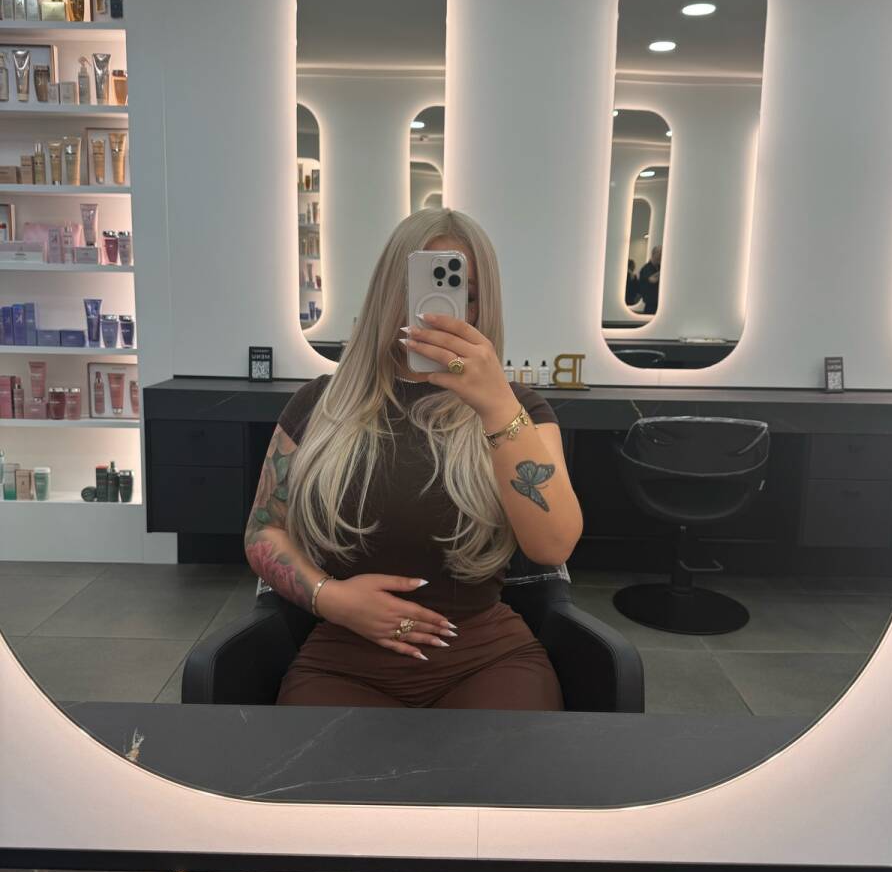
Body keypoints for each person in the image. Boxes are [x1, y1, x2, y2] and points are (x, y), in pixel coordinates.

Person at [245, 208, 583, 710]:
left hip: (484, 656)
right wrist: (330, 598)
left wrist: (496, 406)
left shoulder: (519, 410)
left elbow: (553, 545)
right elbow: (262, 532)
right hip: (344, 655)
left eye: (465, 295)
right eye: (422, 286)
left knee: (510, 760)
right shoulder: (318, 405)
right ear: (388, 291)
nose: (439, 310)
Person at [637, 245, 662, 315]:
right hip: (651, 305)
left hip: (658, 304)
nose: (661, 256)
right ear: (654, 254)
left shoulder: (658, 267)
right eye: (659, 254)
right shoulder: (646, 268)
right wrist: (664, 270)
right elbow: (652, 280)